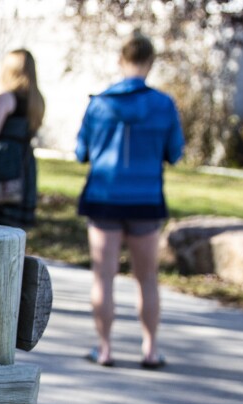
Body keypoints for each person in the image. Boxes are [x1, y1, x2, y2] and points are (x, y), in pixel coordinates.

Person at [75, 33, 184, 369]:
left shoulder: (100, 103)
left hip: (105, 197)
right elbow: (175, 153)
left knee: (103, 278)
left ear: (121, 61)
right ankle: (150, 350)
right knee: (147, 278)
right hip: (146, 201)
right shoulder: (164, 105)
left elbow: (81, 152)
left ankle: (105, 348)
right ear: (150, 63)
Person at [0, 49, 44, 228]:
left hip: (3, 161)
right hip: (24, 162)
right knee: (13, 225)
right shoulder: (37, 100)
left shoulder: (5, 98)